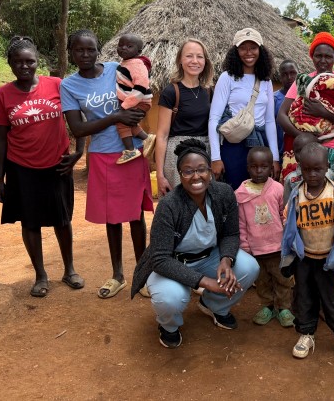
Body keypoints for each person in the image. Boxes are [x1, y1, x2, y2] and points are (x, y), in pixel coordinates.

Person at [131, 139, 260, 348]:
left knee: (248, 267)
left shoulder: (223, 193)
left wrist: (226, 260)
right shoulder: (169, 204)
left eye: (201, 169)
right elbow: (160, 259)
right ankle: (169, 326)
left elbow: (231, 234)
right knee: (170, 299)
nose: (196, 176)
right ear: (180, 175)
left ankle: (213, 305)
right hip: (172, 262)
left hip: (210, 255)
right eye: (188, 171)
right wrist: (205, 282)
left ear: (210, 171)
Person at [61, 29, 153, 300]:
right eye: (79, 50)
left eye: (90, 49)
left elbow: (141, 90)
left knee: (136, 215)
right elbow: (78, 129)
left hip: (131, 151)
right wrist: (115, 117)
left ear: (98, 50)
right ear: (72, 52)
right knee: (112, 218)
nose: (85, 55)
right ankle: (118, 276)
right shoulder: (69, 85)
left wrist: (131, 113)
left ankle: (143, 275)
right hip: (102, 155)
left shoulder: (117, 68)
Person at [0, 36, 84, 298]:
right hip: (21, 168)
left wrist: (79, 151)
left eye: (29, 61)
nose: (24, 66)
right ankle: (41, 275)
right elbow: (1, 139)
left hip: (57, 165)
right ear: (9, 63)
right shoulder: (2, 95)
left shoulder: (56, 85)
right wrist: (0, 179)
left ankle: (69, 270)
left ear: (37, 61)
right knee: (30, 222)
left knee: (62, 219)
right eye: (18, 62)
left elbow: (79, 116)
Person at [280, 143, 334, 362]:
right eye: (307, 169)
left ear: (327, 167)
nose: (313, 174)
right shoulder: (297, 196)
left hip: (330, 260)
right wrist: (293, 243)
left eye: (318, 169)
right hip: (305, 259)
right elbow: (287, 220)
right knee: (304, 298)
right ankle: (306, 334)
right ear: (300, 168)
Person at [276, 31, 334, 186]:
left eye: (328, 56)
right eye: (318, 55)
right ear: (312, 56)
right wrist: (304, 138)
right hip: (308, 154)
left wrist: (323, 112)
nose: (323, 61)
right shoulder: (303, 81)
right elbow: (281, 115)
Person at [209, 28, 280, 190]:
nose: (249, 52)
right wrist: (215, 158)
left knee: (259, 196)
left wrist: (274, 157)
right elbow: (214, 119)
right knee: (235, 193)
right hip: (234, 146)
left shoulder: (265, 81)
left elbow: (269, 121)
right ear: (236, 51)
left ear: (260, 51)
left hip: (260, 148)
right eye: (243, 48)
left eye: (253, 48)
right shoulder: (227, 78)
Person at [235, 147, 294, 327]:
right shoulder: (241, 194)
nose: (259, 171)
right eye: (254, 167)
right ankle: (268, 306)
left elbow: (285, 215)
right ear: (247, 168)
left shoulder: (277, 189)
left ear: (272, 168)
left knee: (283, 279)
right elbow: (241, 223)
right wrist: (245, 248)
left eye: (264, 167)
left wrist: (288, 241)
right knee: (262, 281)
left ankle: (284, 308)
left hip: (278, 248)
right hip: (256, 249)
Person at [154, 38, 214, 196]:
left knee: (204, 206)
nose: (195, 61)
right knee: (179, 208)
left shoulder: (209, 92)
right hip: (177, 156)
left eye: (199, 57)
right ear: (180, 60)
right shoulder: (171, 92)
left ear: (205, 61)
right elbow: (162, 135)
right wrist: (160, 175)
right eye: (189, 56)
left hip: (204, 153)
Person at [114, 33, 154, 164]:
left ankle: (130, 150)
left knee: (121, 123)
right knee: (130, 124)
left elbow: (141, 87)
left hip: (138, 101)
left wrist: (125, 105)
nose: (124, 48)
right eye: (121, 45)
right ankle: (147, 138)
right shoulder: (127, 62)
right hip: (136, 101)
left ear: (139, 51)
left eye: (129, 46)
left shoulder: (137, 64)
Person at [283, 132, 334, 204]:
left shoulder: (328, 174)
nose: (303, 154)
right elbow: (287, 206)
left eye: (308, 149)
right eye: (298, 151)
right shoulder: (291, 179)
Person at [274, 59, 299, 166]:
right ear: (280, 78)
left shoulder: (305, 96)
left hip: (302, 150)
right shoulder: (273, 99)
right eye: (285, 74)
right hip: (280, 151)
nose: (289, 77)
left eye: (292, 73)